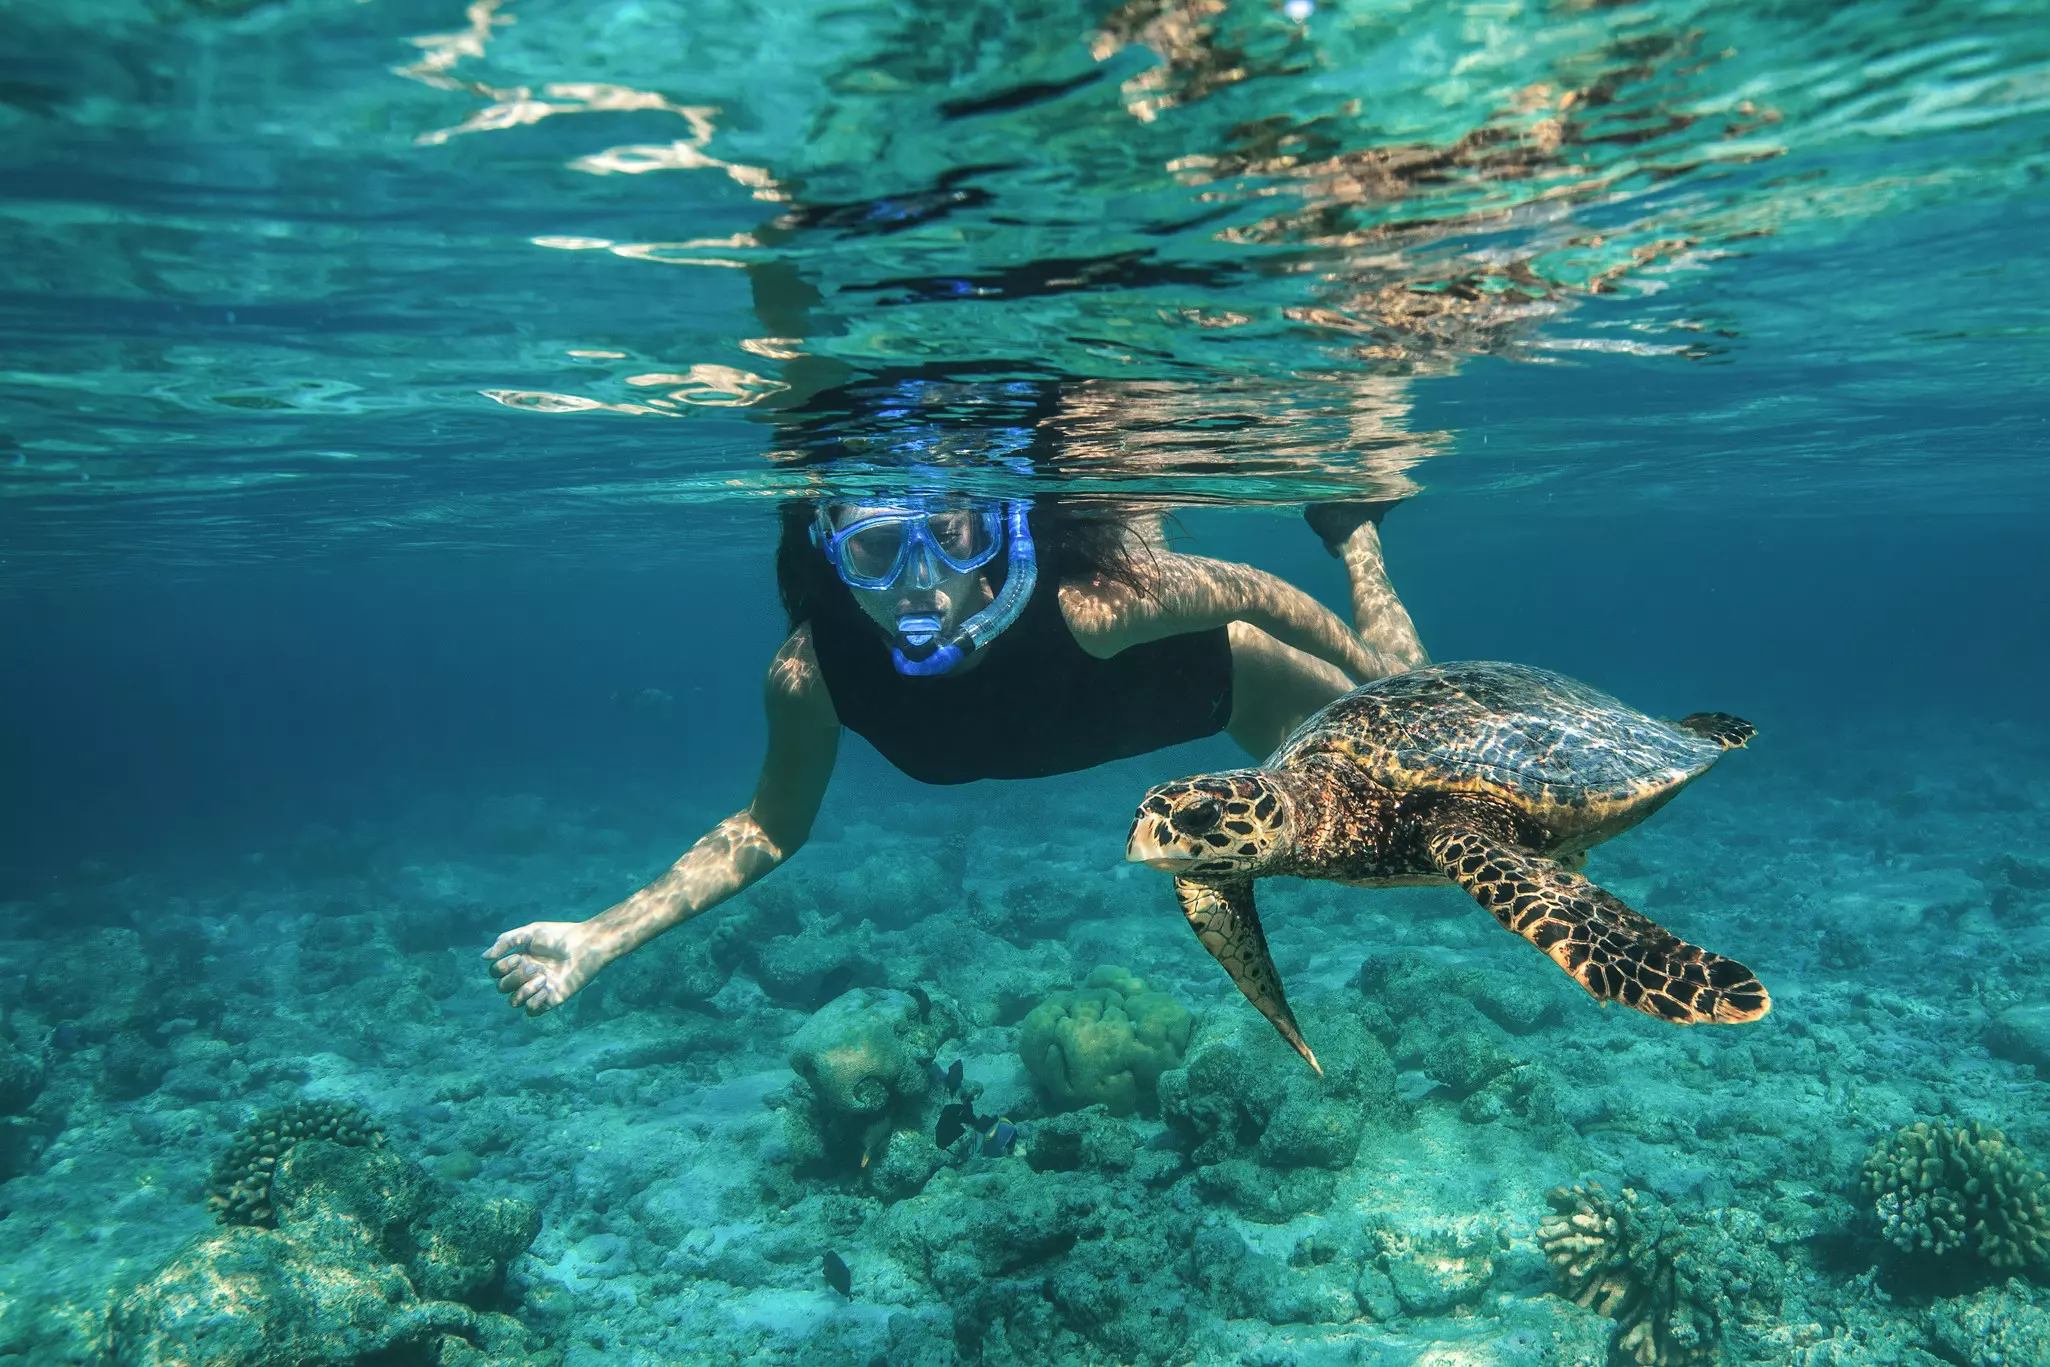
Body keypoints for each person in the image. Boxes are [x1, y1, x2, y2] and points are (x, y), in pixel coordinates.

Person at [485, 487, 1426, 1015]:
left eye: (951, 539)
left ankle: (1355, 532)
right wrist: (598, 936)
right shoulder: (813, 676)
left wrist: (1388, 689)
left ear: (997, 535)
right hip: (1145, 689)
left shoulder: (1095, 606)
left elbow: (1257, 593)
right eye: (877, 551)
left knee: (1420, 782)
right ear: (831, 561)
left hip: (1230, 682)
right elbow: (768, 828)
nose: (918, 583)